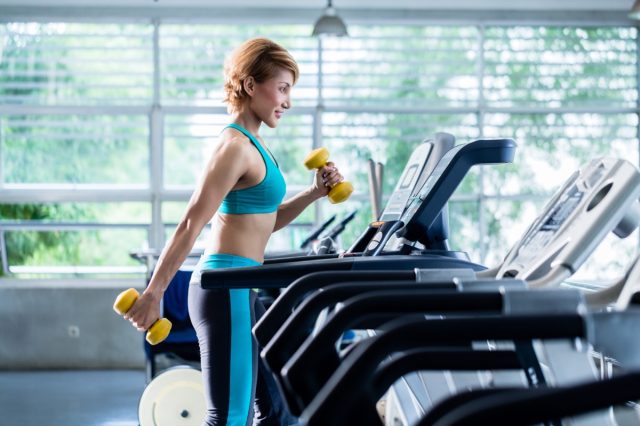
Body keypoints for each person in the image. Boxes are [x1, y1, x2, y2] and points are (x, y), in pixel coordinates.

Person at [123, 37, 344, 425]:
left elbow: (266, 222)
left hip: (240, 287)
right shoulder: (234, 147)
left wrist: (313, 193)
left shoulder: (254, 145)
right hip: (226, 288)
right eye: (282, 88)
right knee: (230, 416)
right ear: (249, 85)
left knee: (272, 410)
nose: (287, 101)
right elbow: (192, 221)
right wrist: (154, 293)